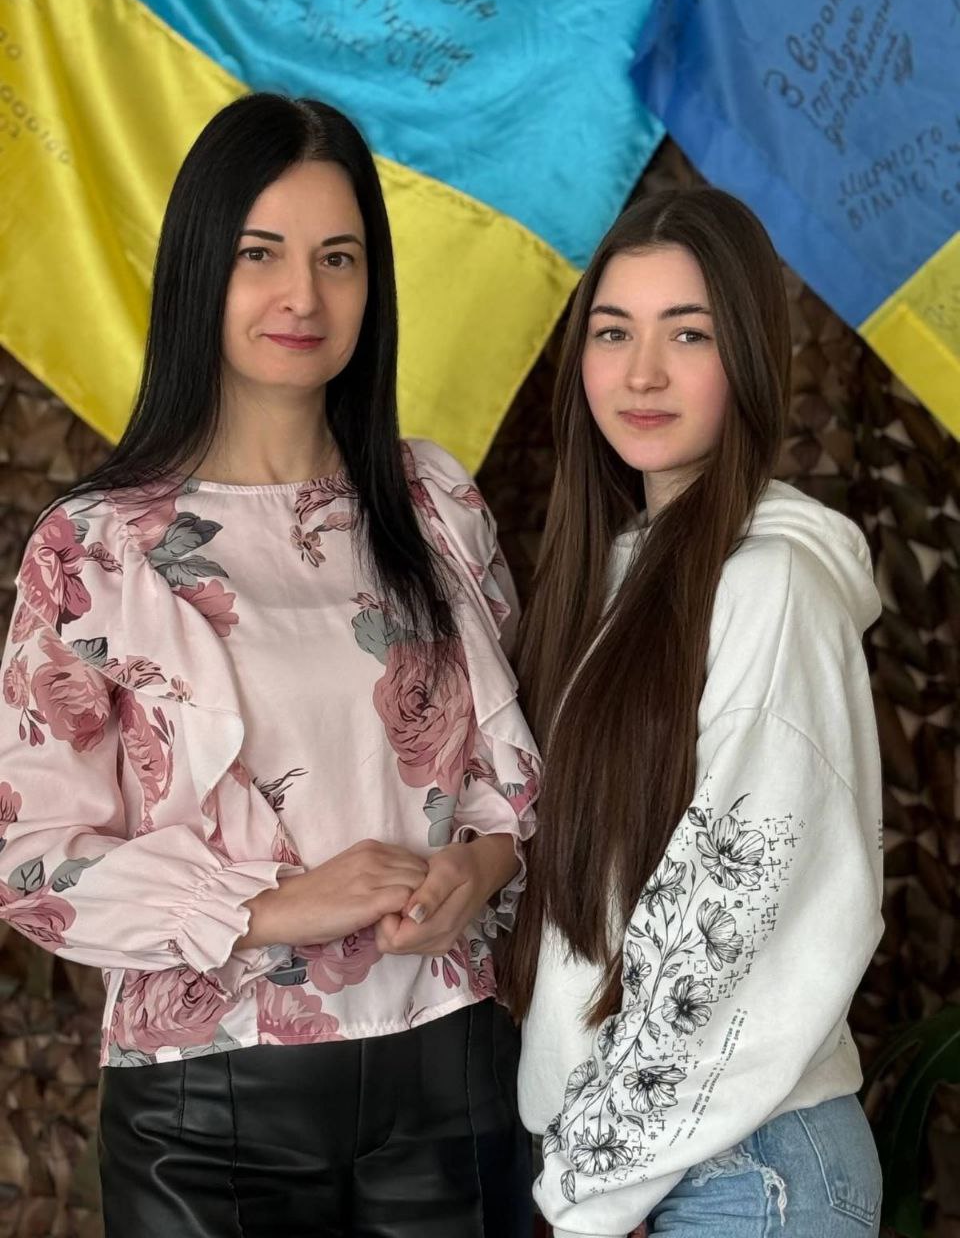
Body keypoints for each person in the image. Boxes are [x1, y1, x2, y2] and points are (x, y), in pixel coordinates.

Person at [0, 92, 539, 1237]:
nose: (304, 295)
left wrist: (479, 866)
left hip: (451, 1070)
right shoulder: (96, 548)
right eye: (261, 254)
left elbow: (511, 782)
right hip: (209, 1106)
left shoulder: (435, 504)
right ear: (201, 268)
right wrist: (276, 905)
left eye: (338, 258)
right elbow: (31, 857)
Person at [498, 188, 884, 1237]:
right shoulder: (613, 576)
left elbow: (731, 910)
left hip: (744, 1170)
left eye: (689, 334)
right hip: (641, 1164)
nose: (642, 373)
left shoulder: (772, 586)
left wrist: (590, 1193)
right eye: (612, 332)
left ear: (748, 357)